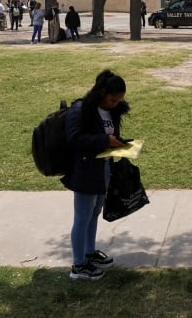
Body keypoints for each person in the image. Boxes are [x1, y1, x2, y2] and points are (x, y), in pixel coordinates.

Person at [62, 70, 130, 280]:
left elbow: (109, 136)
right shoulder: (81, 109)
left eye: (119, 100)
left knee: (93, 214)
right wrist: (105, 141)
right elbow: (74, 139)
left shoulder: (111, 111)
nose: (115, 104)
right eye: (112, 99)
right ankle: (78, 265)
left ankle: (89, 253)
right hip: (85, 171)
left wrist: (121, 143)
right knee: (82, 217)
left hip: (104, 170)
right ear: (102, 92)